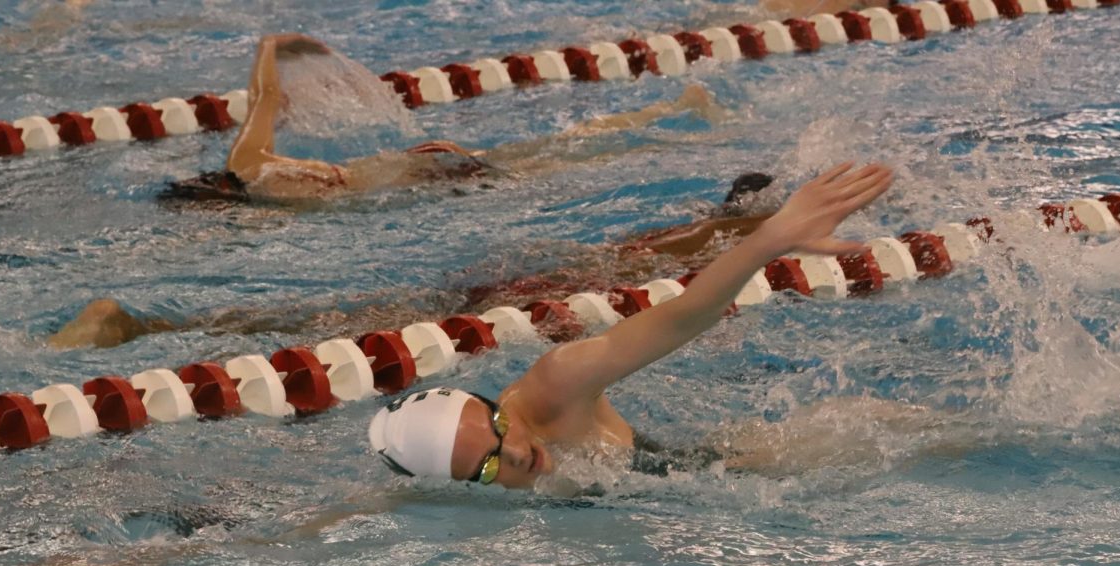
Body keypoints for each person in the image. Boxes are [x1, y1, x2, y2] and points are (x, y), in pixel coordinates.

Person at [368, 162, 898, 490]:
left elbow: (683, 315)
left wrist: (772, 238)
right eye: (486, 469)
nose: (516, 453)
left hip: (750, 466)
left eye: (500, 430)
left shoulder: (556, 386)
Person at [48, 172, 781, 349]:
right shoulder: (700, 246)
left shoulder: (665, 243)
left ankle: (147, 327)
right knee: (332, 329)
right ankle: (141, 328)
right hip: (509, 297)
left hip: (506, 282)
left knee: (331, 321)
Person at [164, 32, 724, 204]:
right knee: (561, 150)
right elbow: (268, 97)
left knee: (562, 160)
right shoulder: (251, 164)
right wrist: (271, 46)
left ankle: (667, 120)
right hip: (426, 164)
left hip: (429, 176)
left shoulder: (271, 200)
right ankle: (666, 112)